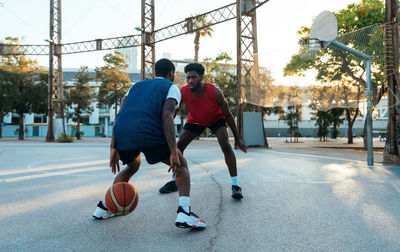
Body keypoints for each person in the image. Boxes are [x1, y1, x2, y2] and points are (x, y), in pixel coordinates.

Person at [92, 58, 206, 229]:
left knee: (133, 165)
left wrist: (113, 147)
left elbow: (120, 114)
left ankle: (106, 207)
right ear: (171, 74)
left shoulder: (135, 87)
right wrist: (174, 151)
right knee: (181, 165)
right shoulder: (171, 87)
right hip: (149, 133)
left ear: (155, 73)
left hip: (124, 133)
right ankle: (184, 213)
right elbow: (167, 116)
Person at [159, 63, 247, 199]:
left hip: (216, 119)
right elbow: (172, 114)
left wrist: (237, 137)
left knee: (225, 146)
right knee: (178, 147)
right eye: (188, 78)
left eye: (193, 77)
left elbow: (228, 114)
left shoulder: (215, 92)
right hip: (195, 121)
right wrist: (163, 129)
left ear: (201, 77)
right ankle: (173, 182)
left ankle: (235, 186)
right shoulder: (183, 92)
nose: (190, 81)